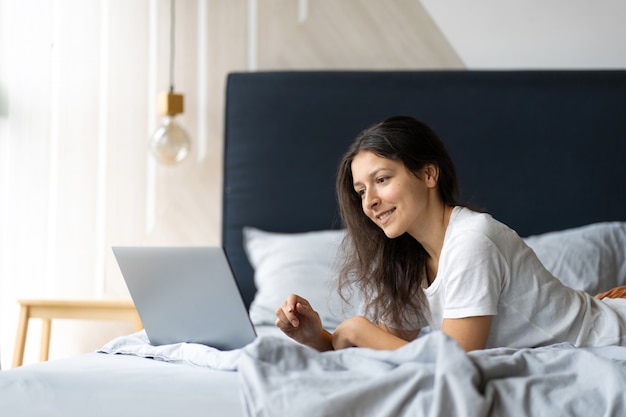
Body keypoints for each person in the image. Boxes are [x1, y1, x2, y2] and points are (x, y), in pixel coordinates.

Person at [275, 115, 626, 352]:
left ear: (429, 175)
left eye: (382, 180)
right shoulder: (411, 257)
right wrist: (317, 337)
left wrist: (356, 329)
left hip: (611, 336)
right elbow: (388, 347)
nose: (371, 202)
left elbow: (455, 366)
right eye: (362, 191)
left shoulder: (473, 238)